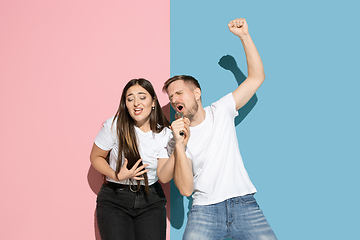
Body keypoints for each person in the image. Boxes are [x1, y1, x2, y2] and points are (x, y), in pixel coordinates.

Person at [163, 18, 277, 240]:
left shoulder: (220, 110)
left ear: (197, 93)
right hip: (204, 210)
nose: (174, 97)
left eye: (179, 92)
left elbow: (256, 78)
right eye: (170, 96)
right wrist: (180, 145)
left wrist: (244, 37)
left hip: (244, 203)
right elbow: (186, 190)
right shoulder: (175, 136)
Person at [90, 78, 176, 240]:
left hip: (151, 200)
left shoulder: (165, 134)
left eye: (142, 97)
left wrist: (178, 146)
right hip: (114, 199)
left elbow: (164, 177)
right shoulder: (113, 126)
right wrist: (117, 175)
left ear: (153, 102)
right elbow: (96, 157)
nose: (136, 103)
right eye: (130, 99)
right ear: (125, 104)